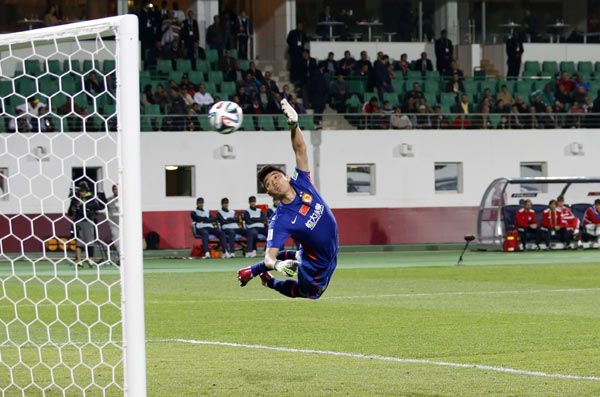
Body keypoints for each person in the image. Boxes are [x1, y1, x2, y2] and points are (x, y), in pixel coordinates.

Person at [237, 99, 339, 299]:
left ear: (286, 176)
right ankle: (270, 282)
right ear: (270, 194)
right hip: (318, 263)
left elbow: (300, 150)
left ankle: (250, 271)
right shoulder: (280, 219)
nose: (273, 182)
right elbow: (269, 257)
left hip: (324, 250)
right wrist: (276, 266)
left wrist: (294, 125)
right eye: (268, 183)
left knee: (297, 256)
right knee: (309, 292)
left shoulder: (302, 181)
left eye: (275, 176)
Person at [67, 181, 101, 267]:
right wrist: (74, 206)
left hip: (89, 221)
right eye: (80, 191)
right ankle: (79, 260)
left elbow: (97, 207)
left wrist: (83, 206)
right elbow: (70, 212)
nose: (81, 192)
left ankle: (90, 260)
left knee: (90, 241)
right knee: (79, 241)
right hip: (79, 221)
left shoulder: (91, 198)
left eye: (83, 191)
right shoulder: (76, 199)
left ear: (86, 190)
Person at [106, 184, 120, 253]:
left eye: (118, 189)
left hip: (124, 223)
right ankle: (120, 256)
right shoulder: (108, 200)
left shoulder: (126, 200)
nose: (116, 191)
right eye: (115, 189)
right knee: (117, 240)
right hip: (113, 223)